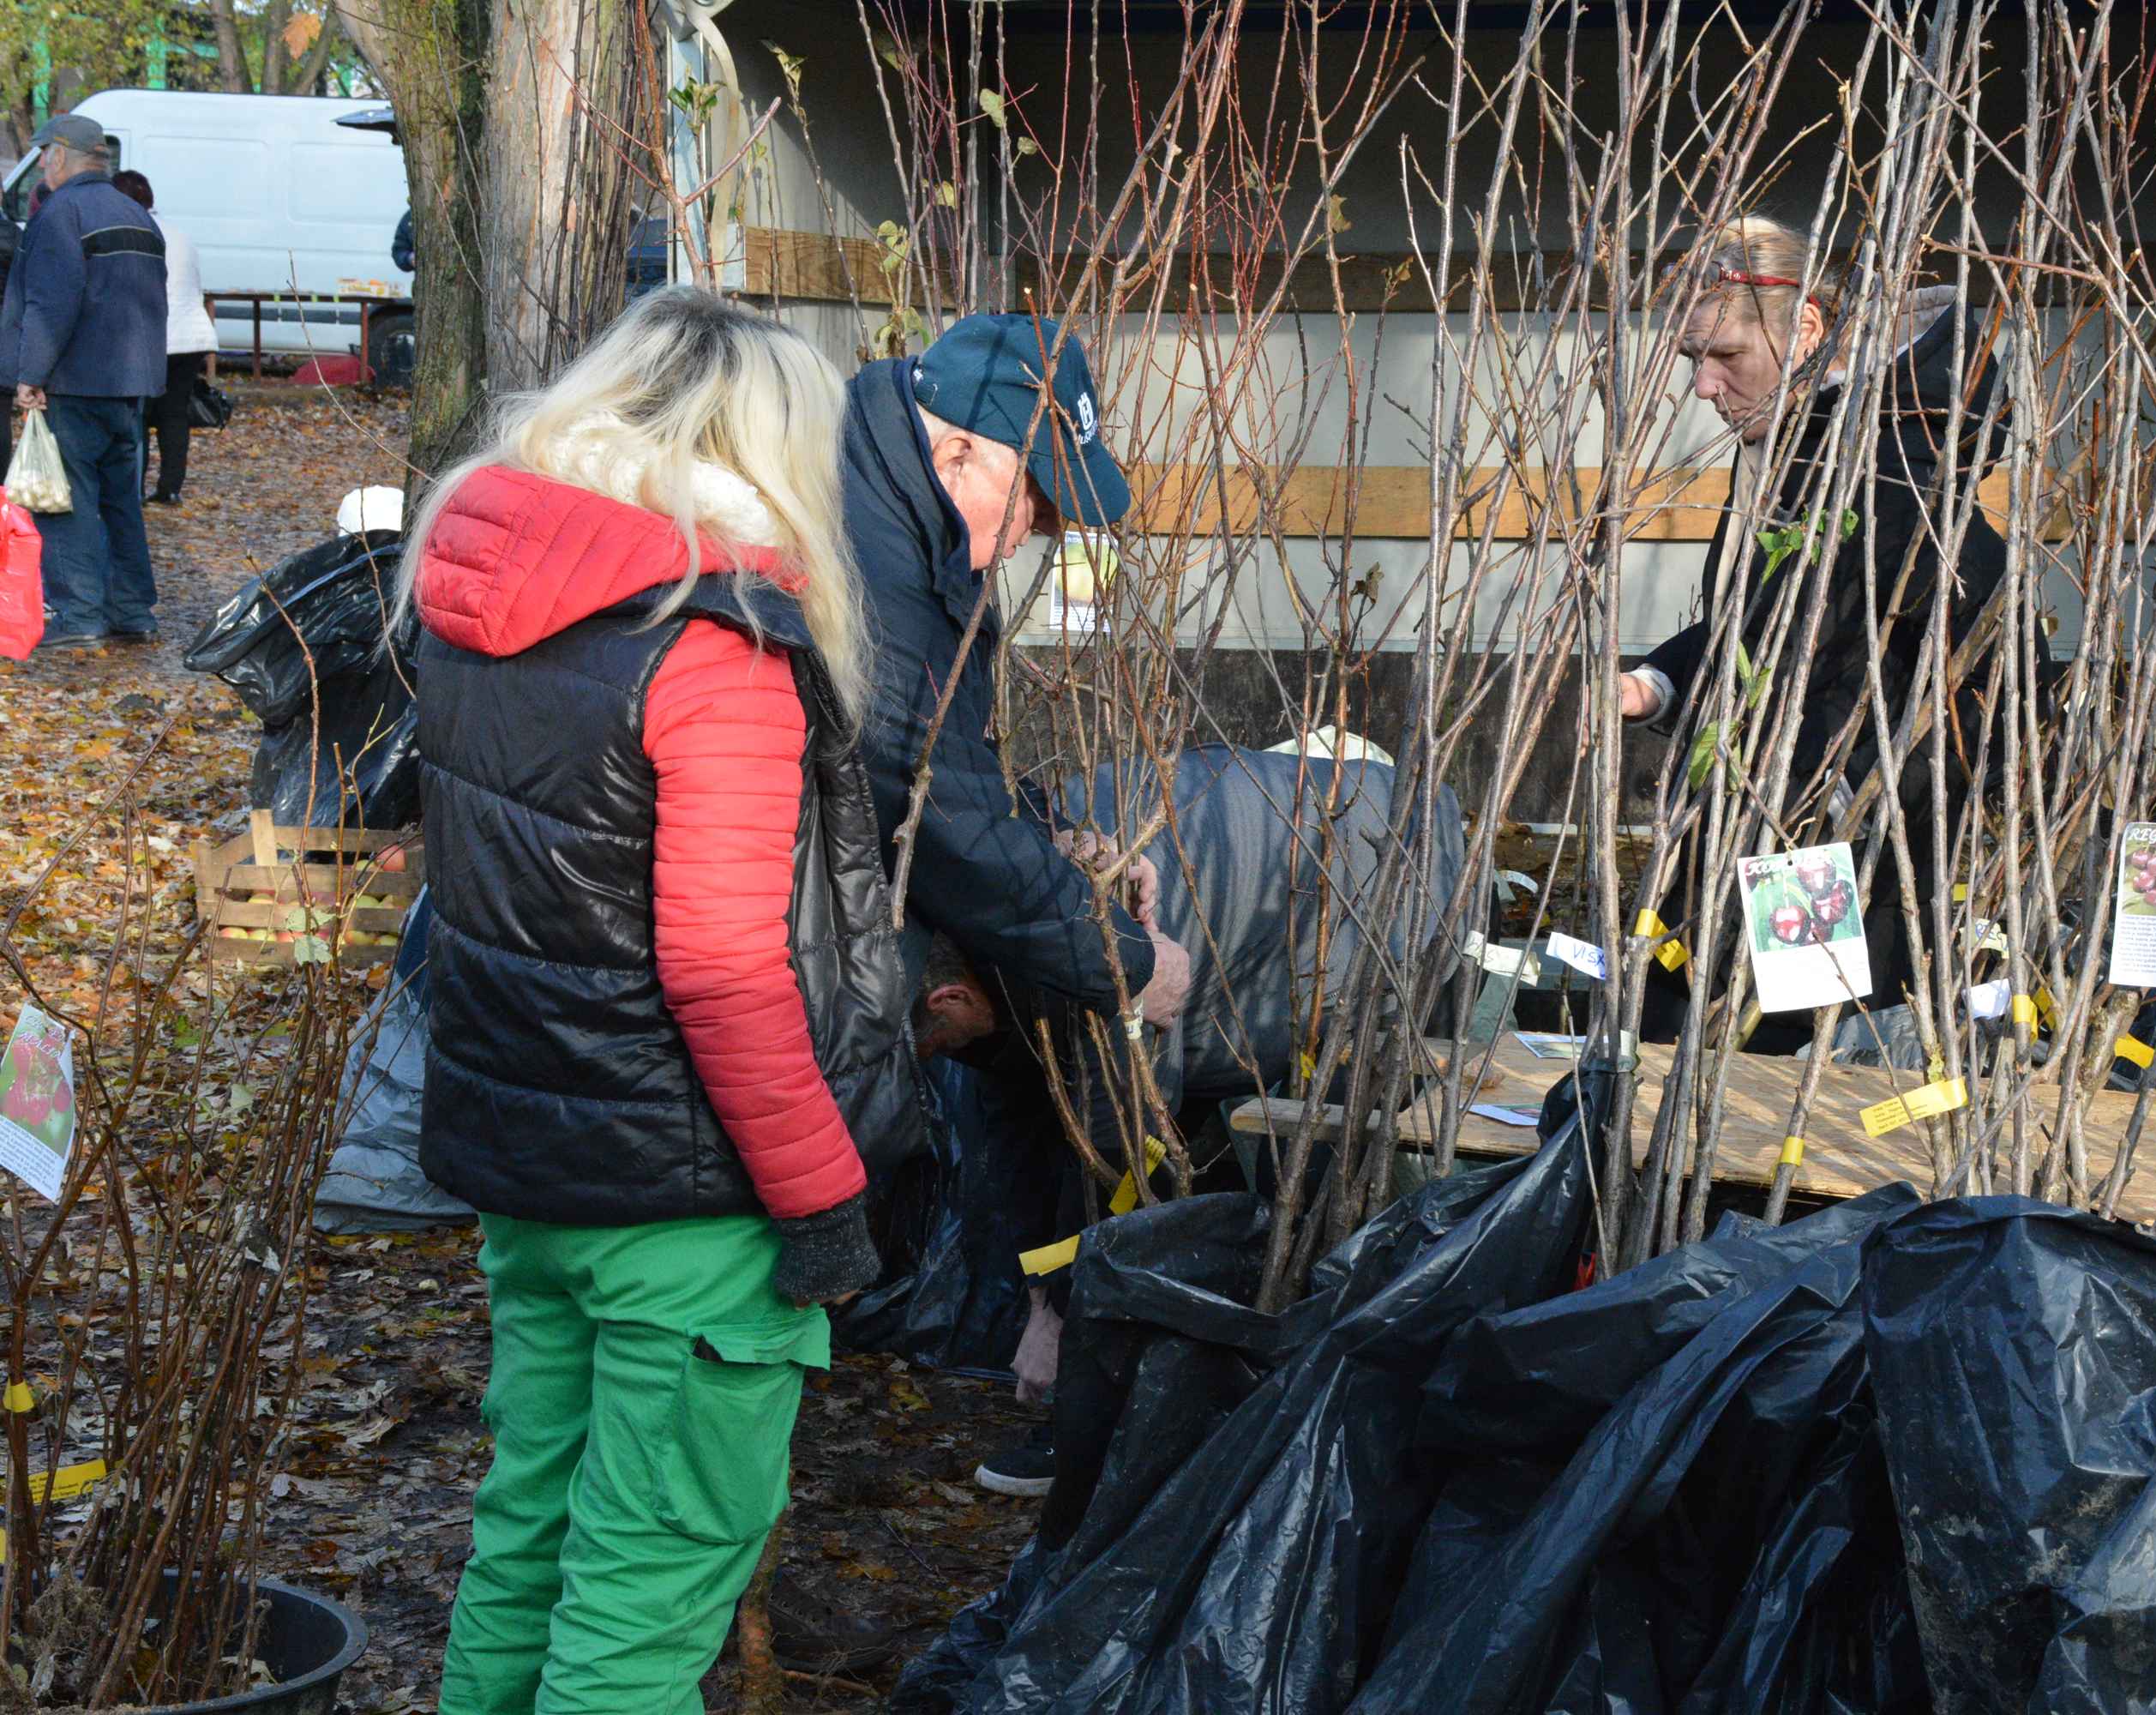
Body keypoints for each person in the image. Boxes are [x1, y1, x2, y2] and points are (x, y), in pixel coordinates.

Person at [402, 288, 922, 1714]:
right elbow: (721, 969)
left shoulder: (485, 614)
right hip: (693, 1209)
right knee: (643, 1598)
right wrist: (821, 1202)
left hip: (533, 1180)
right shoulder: (709, 651)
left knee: (527, 1544)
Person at [910, 743, 1473, 1497]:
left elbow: (1124, 1147)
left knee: (1268, 1142)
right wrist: (1034, 1295)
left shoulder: (1097, 937)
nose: (945, 1060)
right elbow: (1018, 1128)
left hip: (1370, 870)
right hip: (1303, 839)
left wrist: (1058, 1320)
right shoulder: (988, 897)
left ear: (950, 1001)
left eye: (937, 1045)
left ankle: (1123, 1415)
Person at [1618, 214, 2014, 1021]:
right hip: (1770, 823)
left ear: (1806, 328)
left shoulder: (1896, 463)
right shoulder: (1802, 444)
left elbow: (1971, 658)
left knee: (1776, 1070)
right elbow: (1768, 622)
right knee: (1682, 1045)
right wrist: (1656, 684)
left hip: (1834, 853)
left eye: (1724, 356)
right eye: (1694, 360)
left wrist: (1833, 805)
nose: (1702, 388)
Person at [838, 314, 1193, 1039]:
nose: (1038, 523)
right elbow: (939, 822)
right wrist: (1131, 968)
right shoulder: (874, 572)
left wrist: (1054, 837)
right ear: (956, 455)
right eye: (1032, 488)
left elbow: (952, 762)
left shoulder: (911, 522)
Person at [0, 114, 166, 649]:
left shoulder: (60, 214)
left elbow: (51, 304)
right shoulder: (138, 215)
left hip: (74, 384)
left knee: (65, 502)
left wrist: (29, 375)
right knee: (122, 503)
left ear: (58, 156)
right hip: (130, 388)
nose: (43, 164)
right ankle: (134, 612)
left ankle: (79, 616)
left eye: (44, 154)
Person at [111, 171, 214, 505]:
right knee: (174, 413)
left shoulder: (134, 233)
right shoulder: (180, 234)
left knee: (138, 413)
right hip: (192, 335)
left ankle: (134, 486)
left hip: (156, 336)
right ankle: (170, 486)